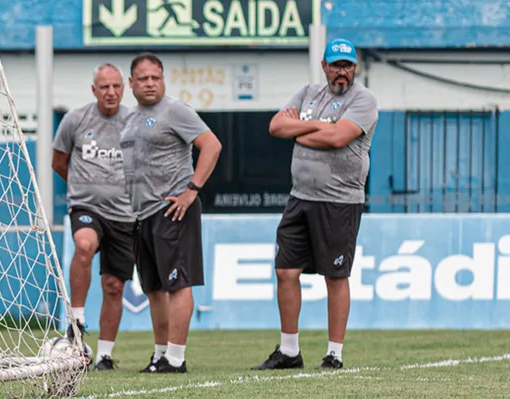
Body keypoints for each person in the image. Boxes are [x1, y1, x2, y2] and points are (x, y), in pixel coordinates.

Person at [252, 39, 378, 371]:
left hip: (339, 200)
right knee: (285, 271)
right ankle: (290, 351)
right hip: (300, 197)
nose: (342, 71)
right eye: (336, 65)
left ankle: (334, 353)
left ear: (356, 67)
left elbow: (339, 138)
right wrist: (320, 127)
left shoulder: (364, 99)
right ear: (324, 65)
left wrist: (301, 129)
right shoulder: (308, 92)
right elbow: (276, 126)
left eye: (347, 65)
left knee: (335, 275)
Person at [120, 52, 222, 373]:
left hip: (172, 209)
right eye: (144, 79)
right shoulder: (130, 118)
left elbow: (212, 145)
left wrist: (191, 190)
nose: (150, 84)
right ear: (131, 83)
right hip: (141, 216)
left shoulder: (175, 110)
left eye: (156, 78)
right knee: (154, 289)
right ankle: (159, 355)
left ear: (163, 80)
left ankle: (176, 358)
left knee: (178, 285)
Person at [52, 63, 136, 371]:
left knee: (114, 285)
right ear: (94, 90)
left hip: (125, 214)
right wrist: (81, 187)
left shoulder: (134, 122)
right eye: (104, 87)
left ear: (123, 88)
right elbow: (59, 161)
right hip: (86, 207)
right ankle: (76, 321)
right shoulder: (75, 119)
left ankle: (104, 356)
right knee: (84, 245)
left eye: (116, 86)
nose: (111, 92)